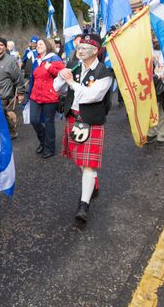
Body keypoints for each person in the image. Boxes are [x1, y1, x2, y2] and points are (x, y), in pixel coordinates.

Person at [54, 34, 113, 223]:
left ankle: (83, 205)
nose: (79, 50)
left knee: (88, 165)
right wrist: (62, 77)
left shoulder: (105, 73)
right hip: (73, 120)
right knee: (80, 161)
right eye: (78, 47)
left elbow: (91, 96)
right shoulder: (75, 67)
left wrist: (71, 82)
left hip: (91, 121)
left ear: (95, 51)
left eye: (83, 48)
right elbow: (57, 88)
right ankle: (93, 183)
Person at [29, 38, 64, 158]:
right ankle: (43, 141)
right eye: (37, 44)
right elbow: (33, 78)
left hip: (50, 96)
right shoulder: (37, 60)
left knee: (49, 122)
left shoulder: (54, 59)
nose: (37, 46)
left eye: (40, 44)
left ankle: (49, 148)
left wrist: (50, 68)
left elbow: (62, 76)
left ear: (47, 46)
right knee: (34, 120)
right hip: (35, 95)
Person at [147, 34, 164, 147]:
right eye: (154, 38)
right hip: (151, 85)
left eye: (158, 38)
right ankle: (151, 133)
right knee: (151, 111)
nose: (156, 40)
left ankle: (161, 136)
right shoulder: (148, 50)